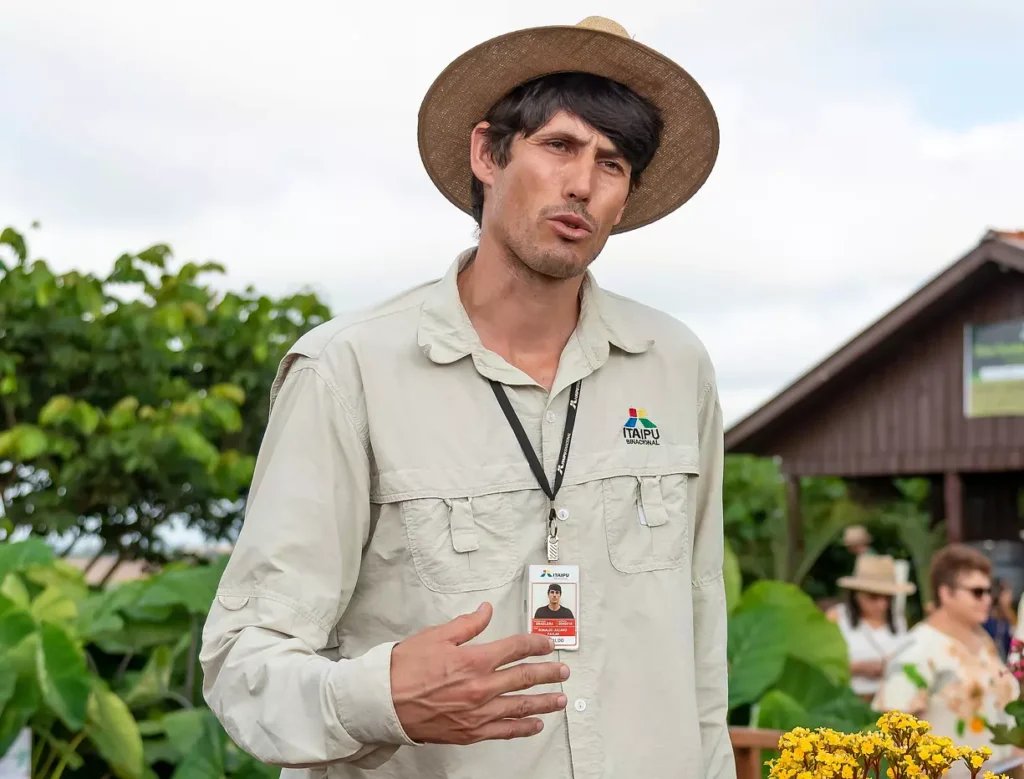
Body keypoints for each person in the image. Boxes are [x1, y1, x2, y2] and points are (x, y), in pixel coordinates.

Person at [200, 15, 730, 779]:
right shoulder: (347, 370)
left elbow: (701, 638)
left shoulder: (674, 366)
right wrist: (380, 698)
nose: (582, 181)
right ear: (488, 152)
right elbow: (240, 663)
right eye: (559, 146)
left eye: (612, 163)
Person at [874, 544, 1020, 778]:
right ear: (945, 593)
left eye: (988, 591)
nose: (986, 599)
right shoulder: (917, 649)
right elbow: (895, 732)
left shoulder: (983, 641)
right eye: (977, 592)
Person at [828, 555, 914, 704]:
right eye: (873, 597)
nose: (882, 605)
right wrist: (857, 668)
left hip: (889, 702)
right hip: (847, 702)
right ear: (856, 595)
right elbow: (823, 665)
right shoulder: (836, 617)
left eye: (887, 598)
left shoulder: (898, 621)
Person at [984, 579, 1017, 660]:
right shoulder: (992, 620)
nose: (1010, 595)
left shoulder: (1008, 615)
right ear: (999, 595)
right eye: (1007, 592)